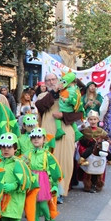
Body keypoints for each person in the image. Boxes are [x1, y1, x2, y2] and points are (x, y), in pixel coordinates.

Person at [35, 73, 79, 202]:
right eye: (47, 80)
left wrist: (63, 116)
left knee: (65, 161)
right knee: (48, 162)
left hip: (65, 130)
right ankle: (49, 190)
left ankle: (61, 190)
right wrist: (54, 92)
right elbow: (41, 106)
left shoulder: (70, 93)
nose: (51, 82)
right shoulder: (44, 95)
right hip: (48, 132)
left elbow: (78, 113)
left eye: (53, 79)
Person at [23, 127, 62, 221]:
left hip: (43, 180)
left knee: (43, 203)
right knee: (33, 205)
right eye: (33, 137)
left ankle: (49, 219)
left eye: (39, 137)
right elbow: (22, 165)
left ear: (44, 139)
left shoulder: (47, 154)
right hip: (32, 180)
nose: (36, 139)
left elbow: (54, 168)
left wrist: (54, 184)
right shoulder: (28, 153)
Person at [77, 111, 111, 192]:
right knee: (89, 166)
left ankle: (110, 158)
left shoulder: (101, 131)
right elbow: (80, 137)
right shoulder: (85, 130)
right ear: (88, 120)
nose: (93, 121)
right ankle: (83, 159)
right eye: (91, 119)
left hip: (98, 150)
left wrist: (107, 140)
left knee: (103, 152)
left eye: (94, 119)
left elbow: (106, 137)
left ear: (97, 120)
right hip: (89, 148)